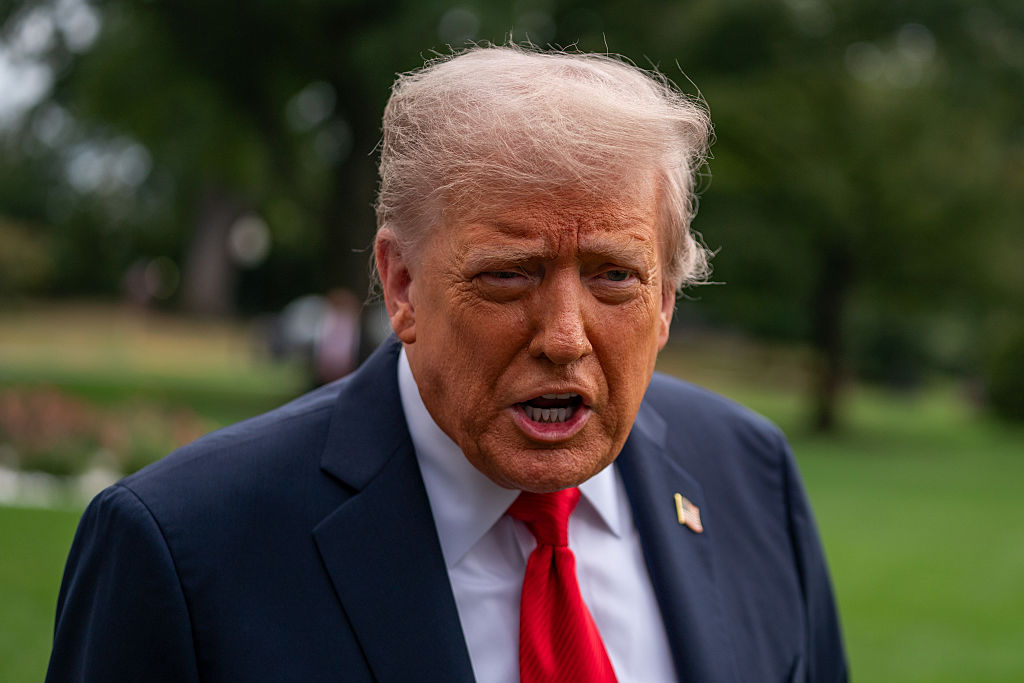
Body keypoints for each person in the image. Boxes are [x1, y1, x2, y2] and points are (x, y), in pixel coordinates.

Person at [46, 45, 847, 682]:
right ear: (401, 285)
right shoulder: (182, 548)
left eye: (614, 276)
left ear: (666, 300)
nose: (565, 336)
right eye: (509, 273)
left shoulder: (751, 474)